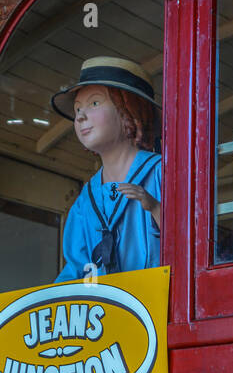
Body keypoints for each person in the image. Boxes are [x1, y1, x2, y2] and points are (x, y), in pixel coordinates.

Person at [52, 56, 161, 280]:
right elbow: (75, 270)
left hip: (159, 308)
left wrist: (156, 208)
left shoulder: (163, 173)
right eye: (77, 108)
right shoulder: (85, 200)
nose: (80, 116)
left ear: (128, 111)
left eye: (94, 103)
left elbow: (192, 244)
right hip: (105, 312)